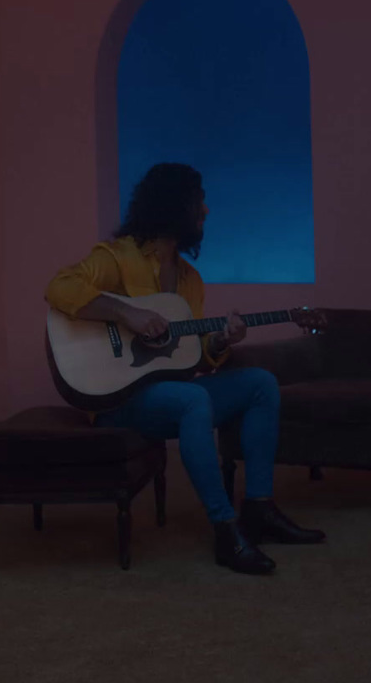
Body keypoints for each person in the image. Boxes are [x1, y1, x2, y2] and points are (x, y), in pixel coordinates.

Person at [45, 162, 324, 575]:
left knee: (261, 383)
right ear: (175, 204)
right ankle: (225, 529)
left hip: (166, 394)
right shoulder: (117, 258)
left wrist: (220, 341)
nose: (206, 211)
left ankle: (259, 510)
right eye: (200, 202)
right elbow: (58, 288)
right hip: (116, 398)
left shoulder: (190, 279)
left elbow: (191, 357)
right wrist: (126, 313)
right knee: (192, 398)